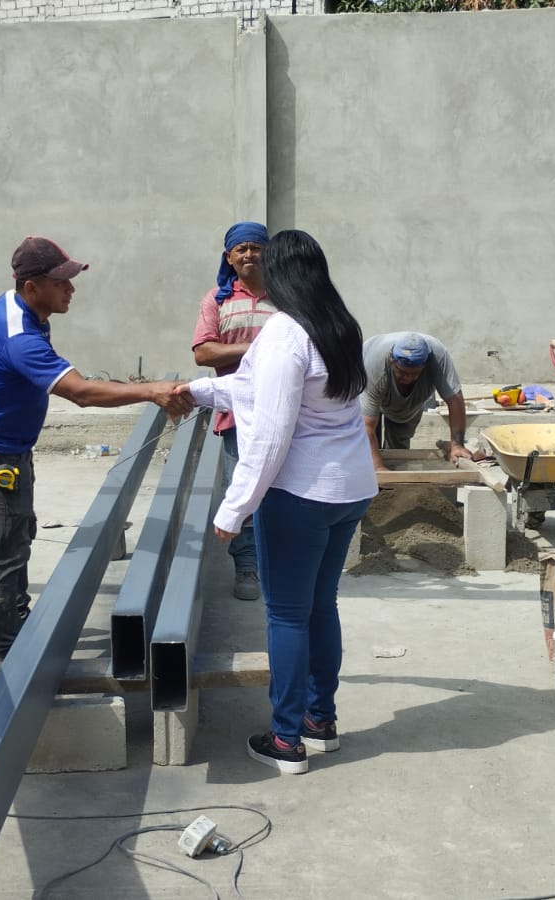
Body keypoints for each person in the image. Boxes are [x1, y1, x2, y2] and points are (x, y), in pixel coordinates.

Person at [175, 229, 377, 775]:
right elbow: (252, 387)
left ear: (280, 274)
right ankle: (320, 721)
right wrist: (194, 391)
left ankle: (286, 740)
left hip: (300, 495)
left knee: (286, 615)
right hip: (349, 488)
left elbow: (269, 433)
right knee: (320, 605)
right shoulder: (338, 324)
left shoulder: (286, 332)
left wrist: (234, 507)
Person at [0, 236, 194, 660]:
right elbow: (80, 393)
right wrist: (151, 391)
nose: (71, 289)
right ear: (32, 286)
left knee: (20, 532)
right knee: (8, 548)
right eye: (61, 282)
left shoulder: (16, 305)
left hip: (6, 443)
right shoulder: (20, 338)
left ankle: (18, 620)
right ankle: (10, 646)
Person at [190, 221, 277, 601]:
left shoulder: (287, 297)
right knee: (242, 491)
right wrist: (261, 349)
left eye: (256, 247)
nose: (249, 254)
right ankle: (247, 566)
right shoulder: (217, 300)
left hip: (285, 413)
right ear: (229, 257)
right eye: (241, 249)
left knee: (282, 490)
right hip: (237, 415)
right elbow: (203, 352)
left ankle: (279, 563)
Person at [360, 332, 469, 470]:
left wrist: (457, 445)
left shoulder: (438, 357)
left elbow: (455, 400)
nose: (407, 378)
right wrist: (378, 468)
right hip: (373, 381)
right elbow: (366, 425)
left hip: (412, 397)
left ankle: (394, 479)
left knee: (399, 443)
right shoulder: (375, 364)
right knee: (368, 451)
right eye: (402, 372)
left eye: (414, 373)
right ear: (392, 360)